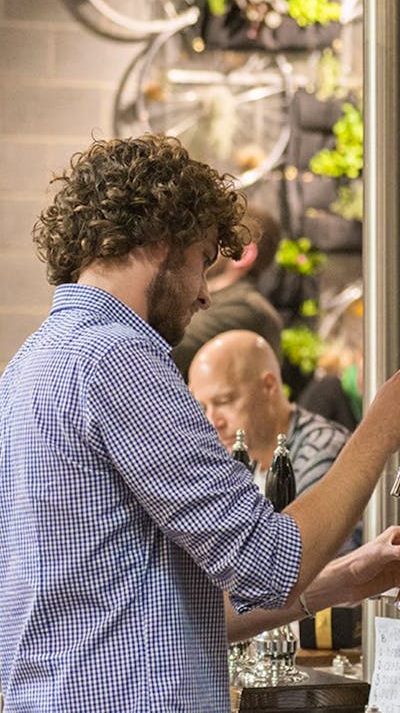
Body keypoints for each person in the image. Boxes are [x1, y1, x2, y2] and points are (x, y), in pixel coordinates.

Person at [1, 133, 400, 713]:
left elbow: (164, 614)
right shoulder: (118, 360)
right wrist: (382, 426)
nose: (205, 294)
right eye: (202, 260)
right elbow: (267, 561)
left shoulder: (31, 364)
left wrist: (340, 580)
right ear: (163, 240)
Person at [188, 329, 360, 551]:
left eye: (224, 401)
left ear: (269, 386)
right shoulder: (233, 458)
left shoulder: (322, 451)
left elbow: (301, 560)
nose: (213, 421)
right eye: (202, 408)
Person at [172, 206, 283, 381]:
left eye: (213, 243)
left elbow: (164, 347)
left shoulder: (246, 309)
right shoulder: (225, 301)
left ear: (244, 254)